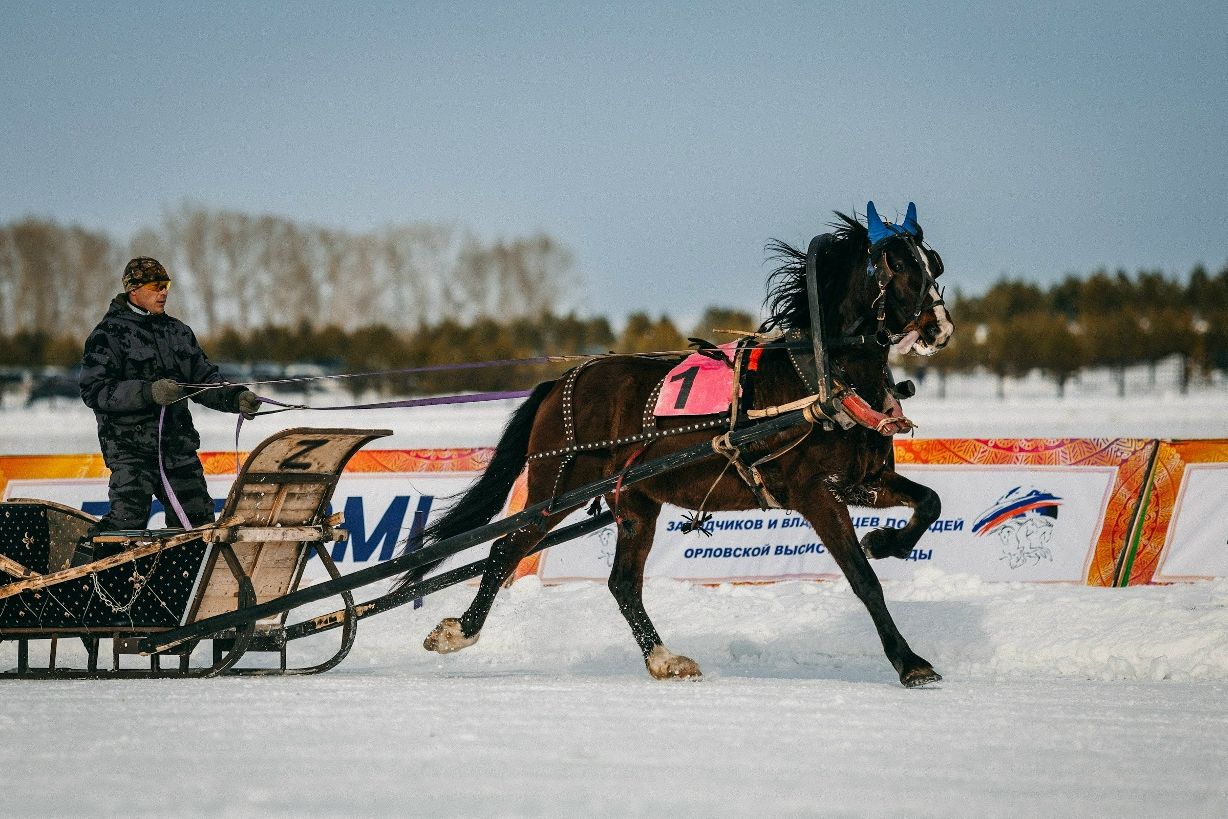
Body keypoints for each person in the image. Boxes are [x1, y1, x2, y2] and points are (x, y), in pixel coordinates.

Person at [78, 257, 261, 549]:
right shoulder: (107, 335)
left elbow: (203, 380)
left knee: (199, 526)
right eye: (156, 286)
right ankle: (88, 566)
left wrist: (235, 398)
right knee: (125, 526)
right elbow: (94, 390)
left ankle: (182, 577)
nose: (164, 292)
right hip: (130, 451)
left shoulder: (178, 332)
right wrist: (148, 392)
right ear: (134, 290)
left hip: (177, 449)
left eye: (166, 285)